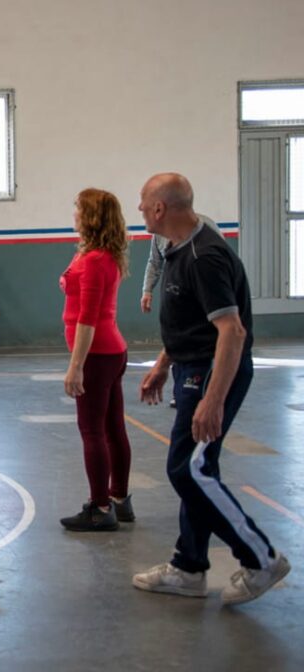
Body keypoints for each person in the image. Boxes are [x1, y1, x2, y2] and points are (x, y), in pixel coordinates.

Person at [133, 173, 291, 606]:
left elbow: (232, 332)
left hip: (212, 373)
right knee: (197, 472)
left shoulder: (205, 256)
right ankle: (188, 567)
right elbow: (192, 320)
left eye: (144, 204)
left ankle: (261, 558)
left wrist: (213, 400)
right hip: (190, 368)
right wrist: (165, 363)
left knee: (189, 470)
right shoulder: (174, 248)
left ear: (161, 208)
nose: (141, 211)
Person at [58, 189, 133, 532]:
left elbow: (87, 319)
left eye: (77, 209)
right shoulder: (103, 256)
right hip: (112, 351)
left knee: (92, 431)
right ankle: (119, 499)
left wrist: (76, 366)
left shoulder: (92, 260)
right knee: (113, 428)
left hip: (97, 355)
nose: (73, 213)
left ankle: (101, 507)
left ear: (89, 217)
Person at [140, 213, 220, 313]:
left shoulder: (207, 226)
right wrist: (147, 290)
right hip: (175, 298)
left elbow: (222, 262)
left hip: (206, 297)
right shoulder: (159, 232)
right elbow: (155, 263)